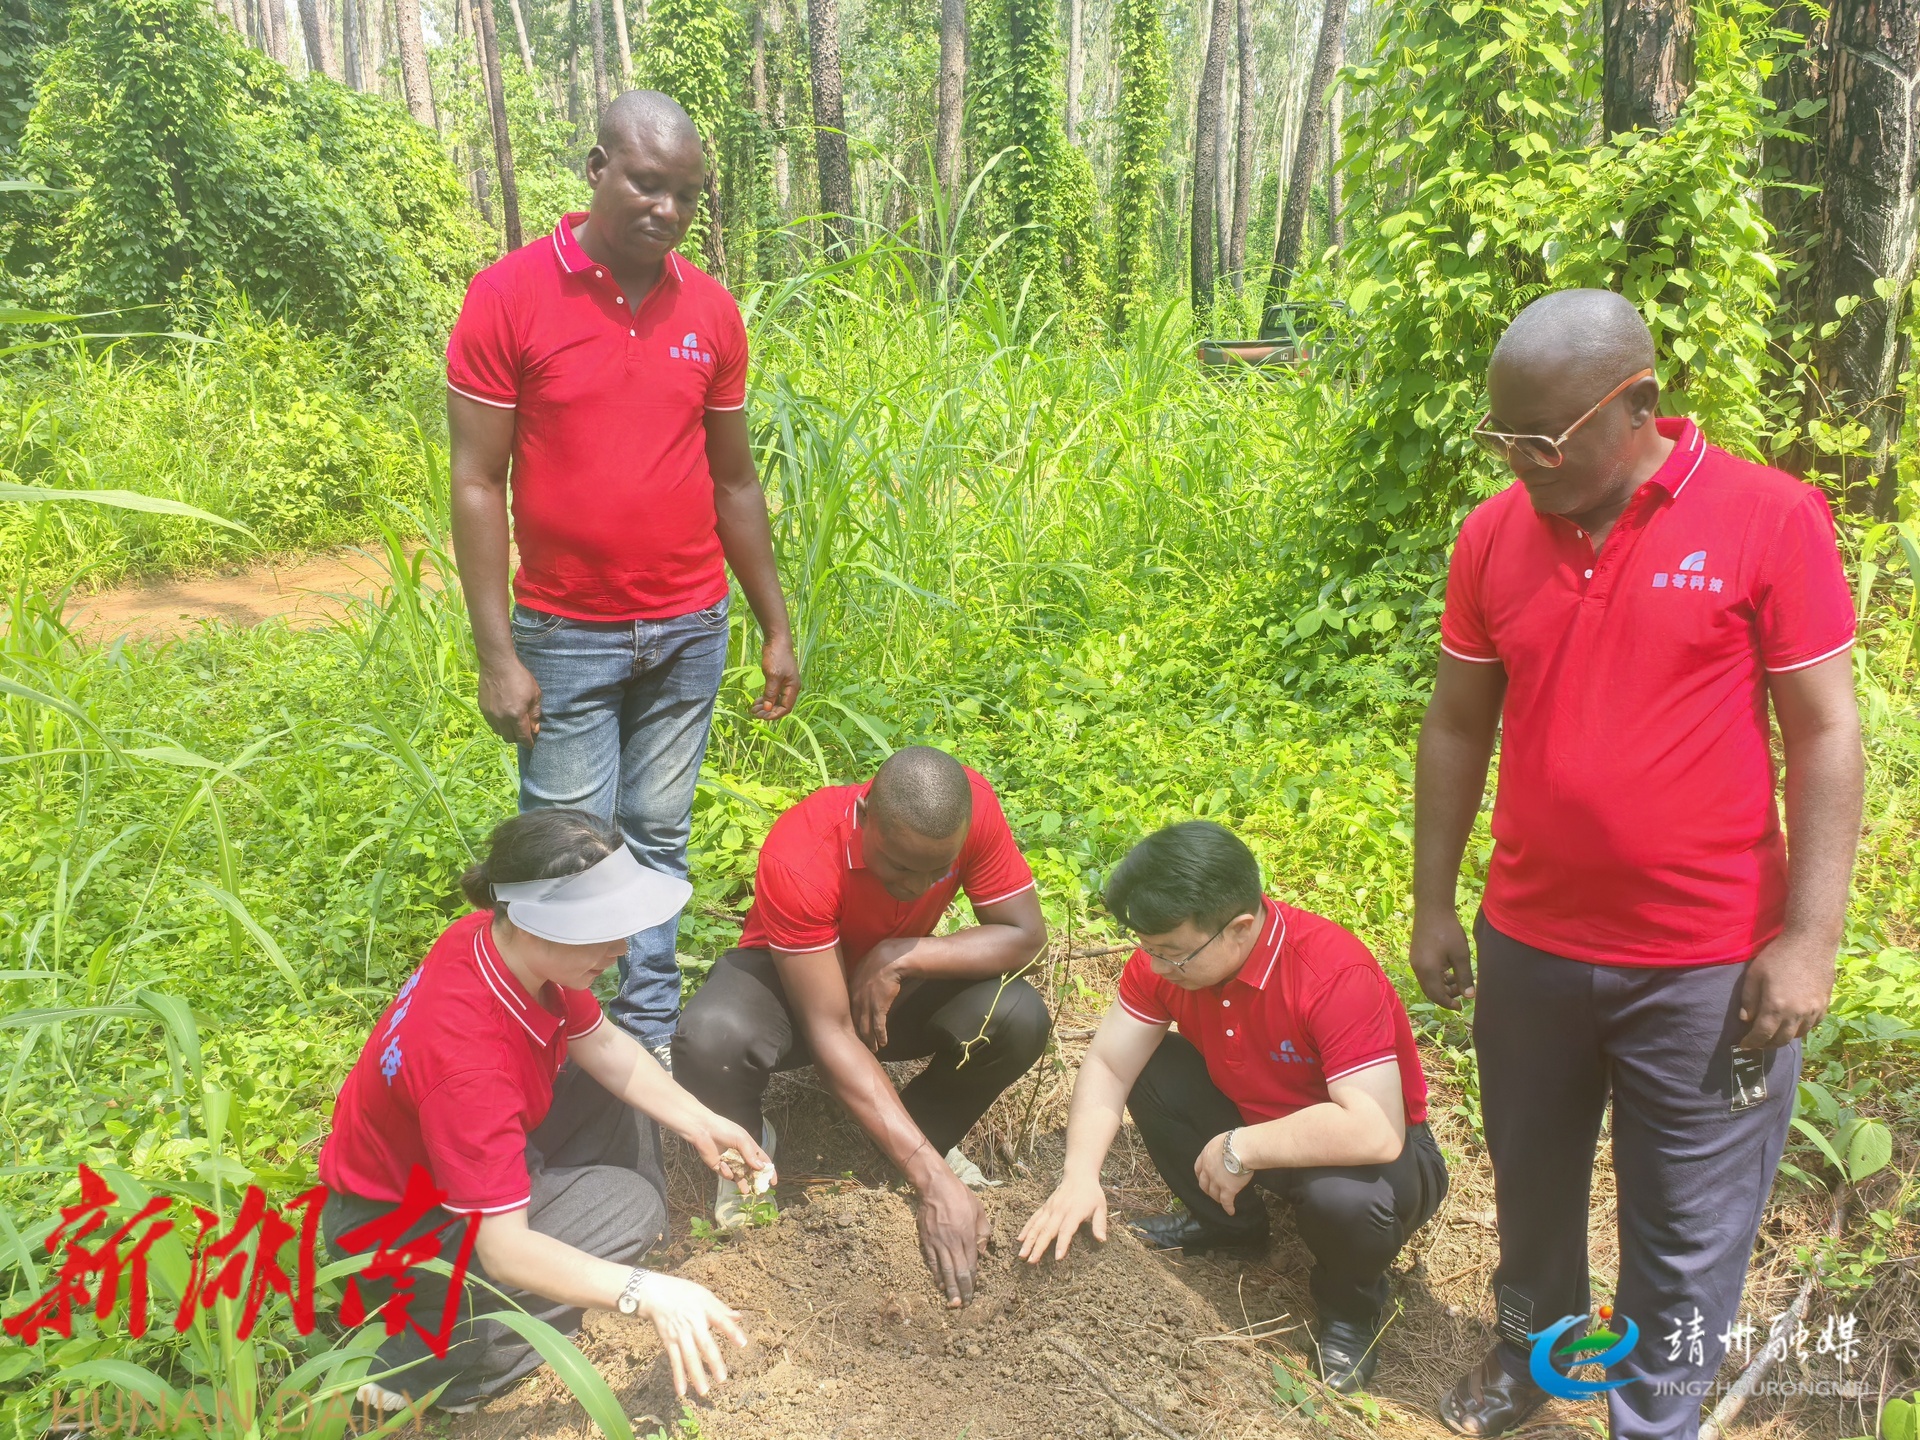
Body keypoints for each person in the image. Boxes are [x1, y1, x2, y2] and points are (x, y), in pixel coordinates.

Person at [1414, 290, 1862, 1438]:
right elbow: (1457, 725)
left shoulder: (1769, 517)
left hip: (1705, 968)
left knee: (1688, 1228)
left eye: (1546, 440)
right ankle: (1536, 1359)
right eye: (1504, 438)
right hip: (1532, 948)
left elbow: (1825, 733)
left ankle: (1651, 1423)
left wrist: (1810, 938)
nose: (1523, 463)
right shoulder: (1494, 535)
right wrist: (1434, 903)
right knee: (1534, 1193)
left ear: (1638, 405)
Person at [446, 90, 800, 1067]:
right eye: (648, 183)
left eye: (686, 194)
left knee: (657, 838)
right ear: (597, 169)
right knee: (570, 856)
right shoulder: (510, 296)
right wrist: (497, 656)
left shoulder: (710, 311)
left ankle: (645, 1042)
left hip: (689, 629)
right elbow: (475, 481)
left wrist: (774, 625)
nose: (667, 209)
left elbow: (735, 481)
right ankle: (555, 1048)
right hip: (566, 634)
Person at [318, 809, 775, 1412]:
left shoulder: (492, 941)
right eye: (602, 931)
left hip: (438, 1176)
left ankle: (595, 1257)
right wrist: (645, 1293)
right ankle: (428, 1360)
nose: (621, 949)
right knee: (630, 1205)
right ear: (535, 924)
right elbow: (504, 1251)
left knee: (613, 1095)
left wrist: (703, 1123)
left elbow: (604, 1046)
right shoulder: (468, 1063)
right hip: (396, 1237)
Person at [1019, 821, 1447, 1393]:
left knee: (1345, 1201)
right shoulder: (1166, 962)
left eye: (1173, 953)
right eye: (1148, 948)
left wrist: (1239, 1146)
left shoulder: (1330, 973)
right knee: (1149, 1066)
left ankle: (1351, 1310)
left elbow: (1375, 1130)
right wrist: (1079, 1176)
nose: (1157, 965)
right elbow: (1110, 1065)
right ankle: (1229, 1226)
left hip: (1375, 1157)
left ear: (1240, 928)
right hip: (1259, 1119)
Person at [673, 746, 1051, 1306]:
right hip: (791, 985)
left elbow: (1026, 937)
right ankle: (747, 1148)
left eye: (938, 871)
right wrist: (935, 1183)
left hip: (884, 986)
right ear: (866, 814)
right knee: (712, 1039)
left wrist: (901, 956)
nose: (919, 886)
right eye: (900, 866)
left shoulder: (967, 810)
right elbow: (829, 1031)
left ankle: (922, 1137)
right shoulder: (803, 854)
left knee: (1018, 1016)